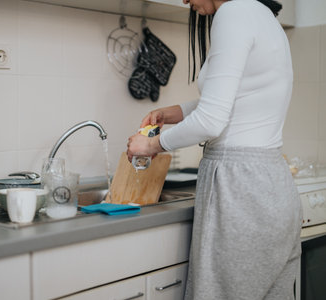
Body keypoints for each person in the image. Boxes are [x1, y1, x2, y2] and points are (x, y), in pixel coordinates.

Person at [126, 0, 302, 299]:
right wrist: (175, 113)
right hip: (273, 187)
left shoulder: (232, 12)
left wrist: (151, 145)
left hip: (239, 190)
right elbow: (238, 98)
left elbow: (211, 120)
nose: (184, 0)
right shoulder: (263, 15)